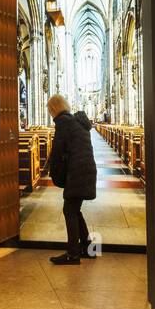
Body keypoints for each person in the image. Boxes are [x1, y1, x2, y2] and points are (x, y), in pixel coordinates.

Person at [46, 94, 97, 265]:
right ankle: (88, 249)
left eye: (49, 110)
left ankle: (73, 254)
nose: (50, 114)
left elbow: (58, 154)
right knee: (74, 210)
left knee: (69, 210)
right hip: (85, 171)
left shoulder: (64, 124)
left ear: (54, 109)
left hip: (78, 173)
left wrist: (56, 175)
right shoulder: (76, 122)